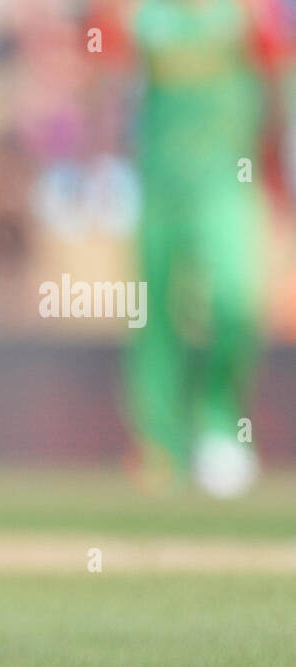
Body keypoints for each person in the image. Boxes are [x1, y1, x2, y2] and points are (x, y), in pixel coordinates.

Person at [122, 0, 289, 497]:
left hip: (227, 184)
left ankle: (221, 427)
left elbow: (277, 81)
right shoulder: (140, 14)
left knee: (235, 301)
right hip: (160, 186)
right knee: (157, 315)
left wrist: (278, 166)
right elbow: (109, 80)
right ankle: (159, 443)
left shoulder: (248, 12)